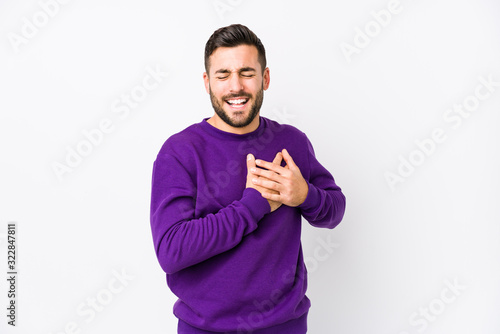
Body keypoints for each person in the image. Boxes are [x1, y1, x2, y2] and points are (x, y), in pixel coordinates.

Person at [150, 24, 346, 334]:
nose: (235, 86)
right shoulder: (179, 152)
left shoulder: (292, 143)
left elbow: (335, 210)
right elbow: (172, 252)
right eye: (223, 75)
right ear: (207, 82)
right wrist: (252, 205)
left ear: (265, 78)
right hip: (205, 329)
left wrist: (304, 195)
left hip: (285, 326)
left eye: (247, 73)